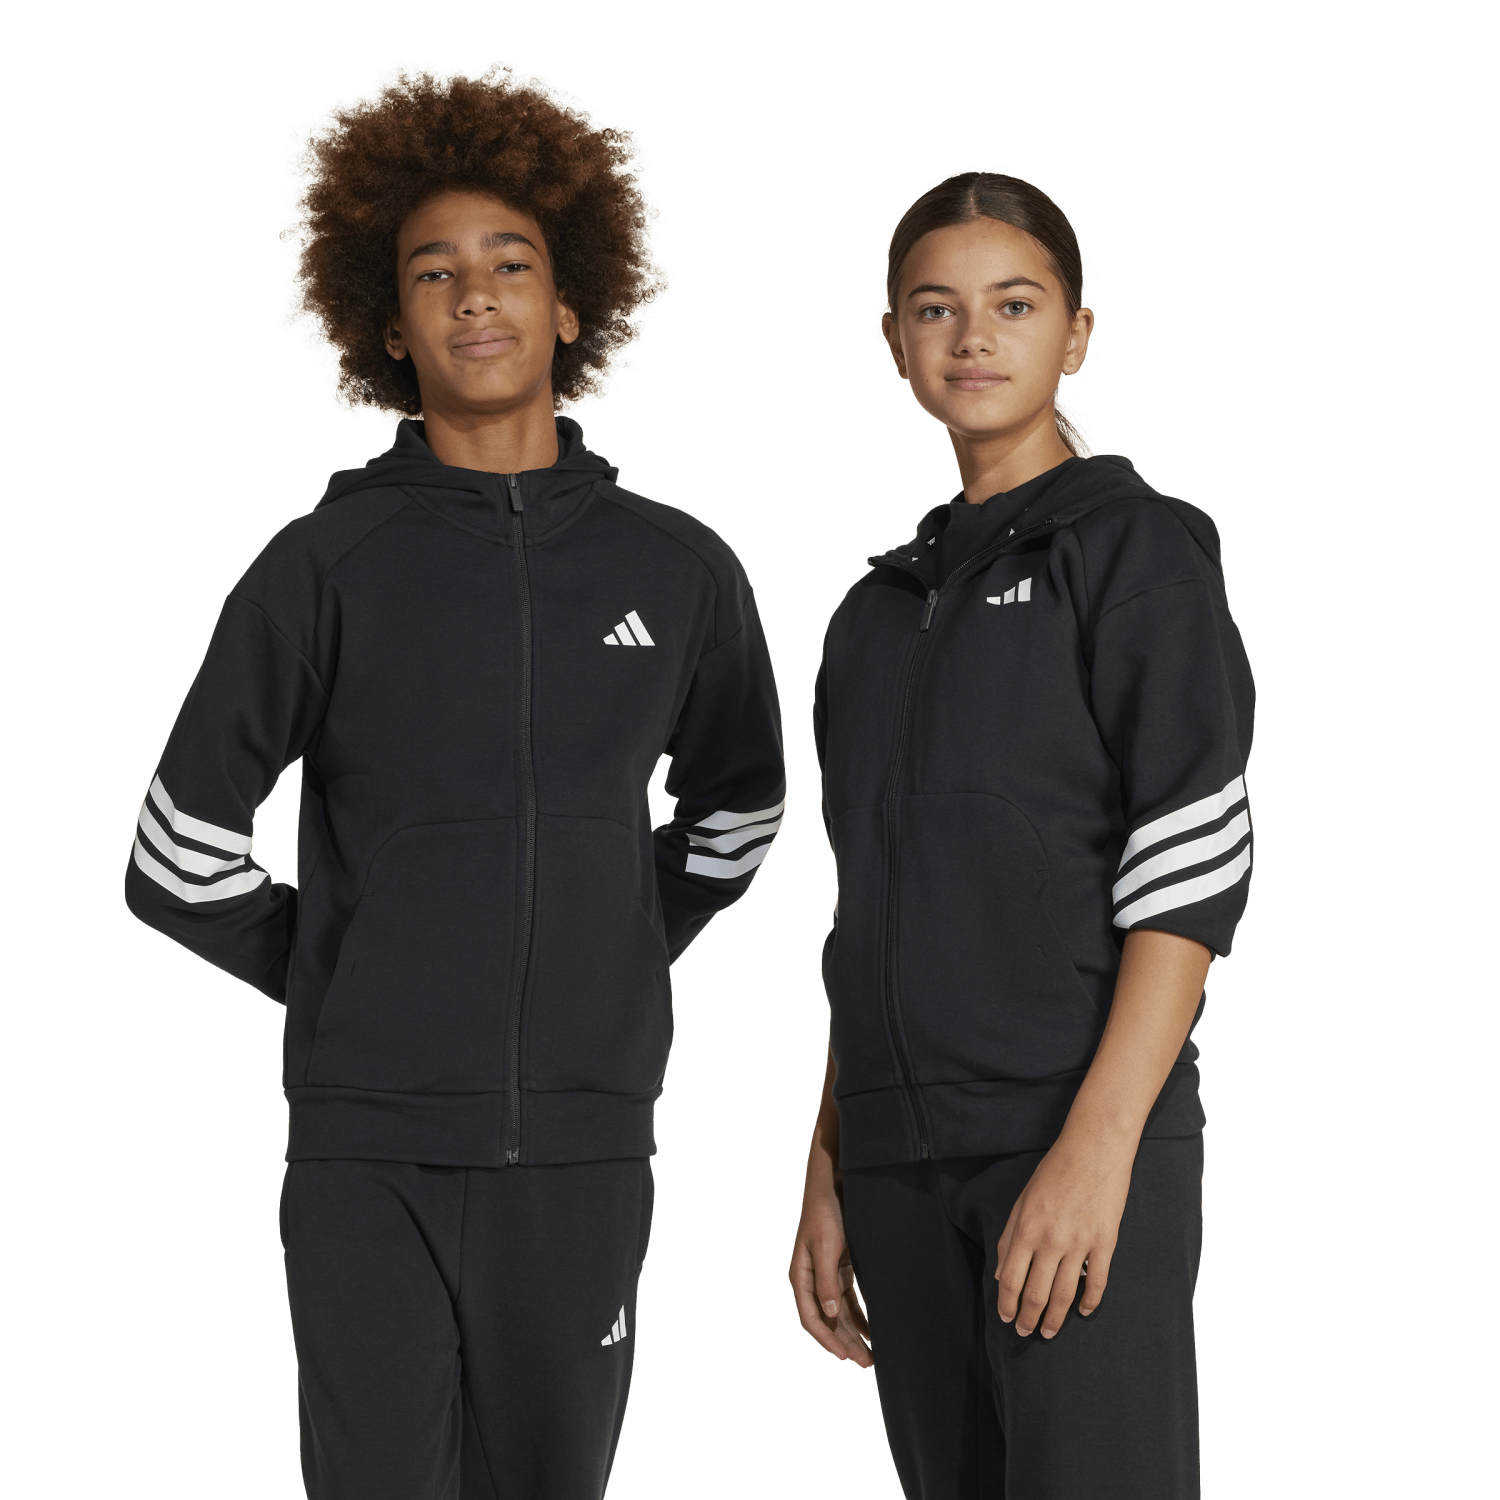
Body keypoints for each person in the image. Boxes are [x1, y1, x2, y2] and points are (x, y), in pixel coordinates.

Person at [124, 56, 785, 1500]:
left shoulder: (678, 569)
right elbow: (176, 855)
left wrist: (610, 939)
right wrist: (363, 969)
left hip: (588, 1148)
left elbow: (741, 806)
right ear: (388, 325)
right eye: (434, 273)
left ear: (574, 303)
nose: (475, 294)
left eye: (510, 262)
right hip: (371, 1159)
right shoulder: (324, 568)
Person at [788, 166, 1254, 1498]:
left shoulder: (1135, 553)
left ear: (1076, 332)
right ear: (894, 340)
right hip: (898, 1160)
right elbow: (874, 904)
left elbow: (1191, 864)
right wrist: (830, 1157)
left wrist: (1098, 1151)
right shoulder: (873, 616)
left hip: (1071, 1129)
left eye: (1014, 304)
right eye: (934, 308)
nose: (973, 337)